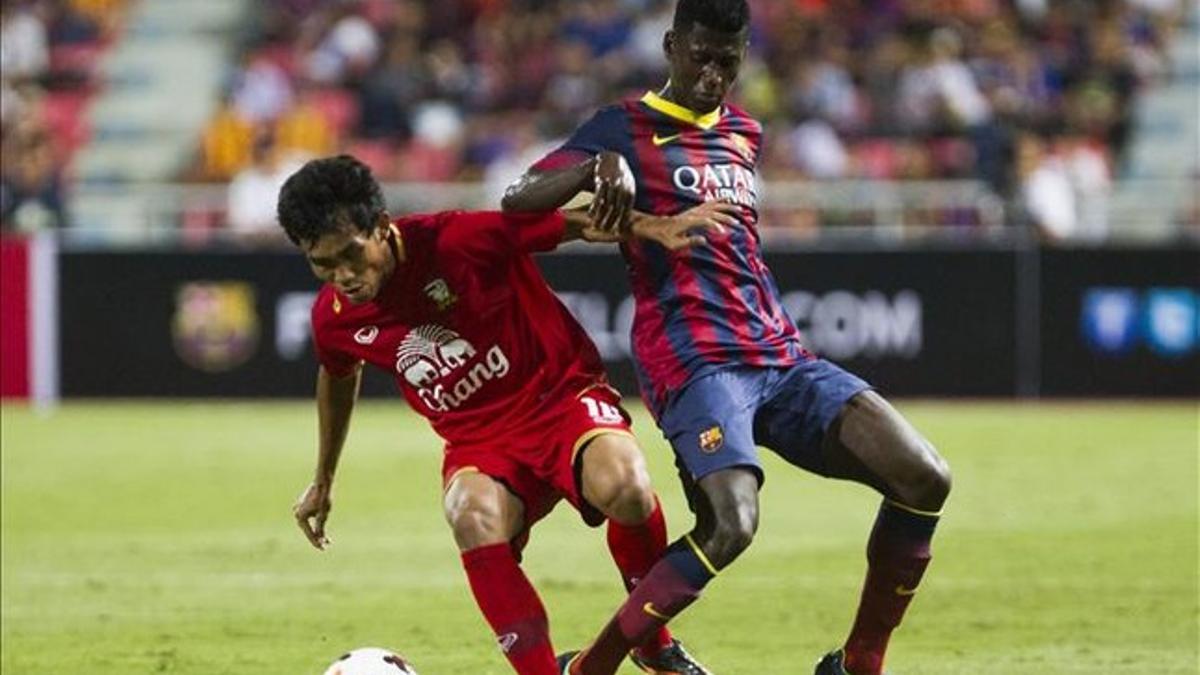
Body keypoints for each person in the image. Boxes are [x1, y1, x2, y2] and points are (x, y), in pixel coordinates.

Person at [501, 1, 952, 674]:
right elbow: (519, 197)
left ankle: (859, 663)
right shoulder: (622, 127)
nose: (713, 74)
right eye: (700, 56)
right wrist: (591, 172)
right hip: (694, 362)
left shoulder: (744, 132)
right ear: (670, 45)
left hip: (781, 357)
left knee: (924, 476)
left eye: (728, 60)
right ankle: (592, 667)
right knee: (732, 524)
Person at [280, 155, 736, 675]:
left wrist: (653, 225)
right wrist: (323, 480)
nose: (343, 276)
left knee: (627, 485)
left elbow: (575, 223)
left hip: (559, 397)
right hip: (480, 443)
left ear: (381, 226)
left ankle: (654, 649)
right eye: (322, 264)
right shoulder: (333, 320)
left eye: (351, 255)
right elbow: (338, 374)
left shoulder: (455, 240)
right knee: (469, 512)